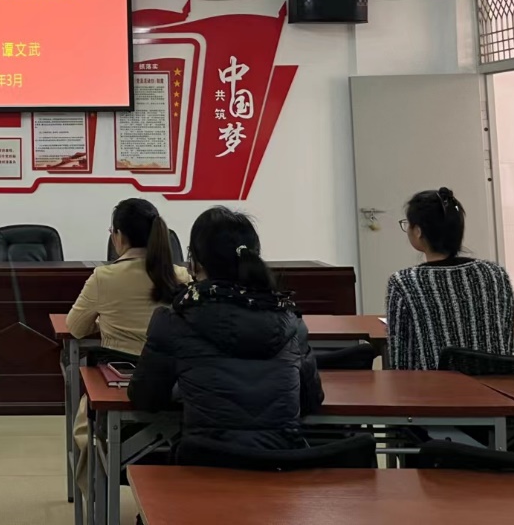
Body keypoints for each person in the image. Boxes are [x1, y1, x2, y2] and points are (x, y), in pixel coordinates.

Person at [129, 206, 323, 449]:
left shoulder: (173, 322)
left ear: (195, 262)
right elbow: (311, 400)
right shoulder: (292, 323)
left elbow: (145, 398)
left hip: (206, 462)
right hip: (280, 463)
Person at [68, 199, 190, 488]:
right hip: (173, 390)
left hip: (118, 385)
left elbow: (75, 328)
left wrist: (104, 322)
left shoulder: (104, 277)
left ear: (119, 236)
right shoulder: (179, 276)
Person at [385, 187, 514, 371]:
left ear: (418, 231)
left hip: (436, 388)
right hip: (494, 385)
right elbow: (506, 343)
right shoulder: (495, 274)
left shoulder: (404, 282)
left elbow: (401, 361)